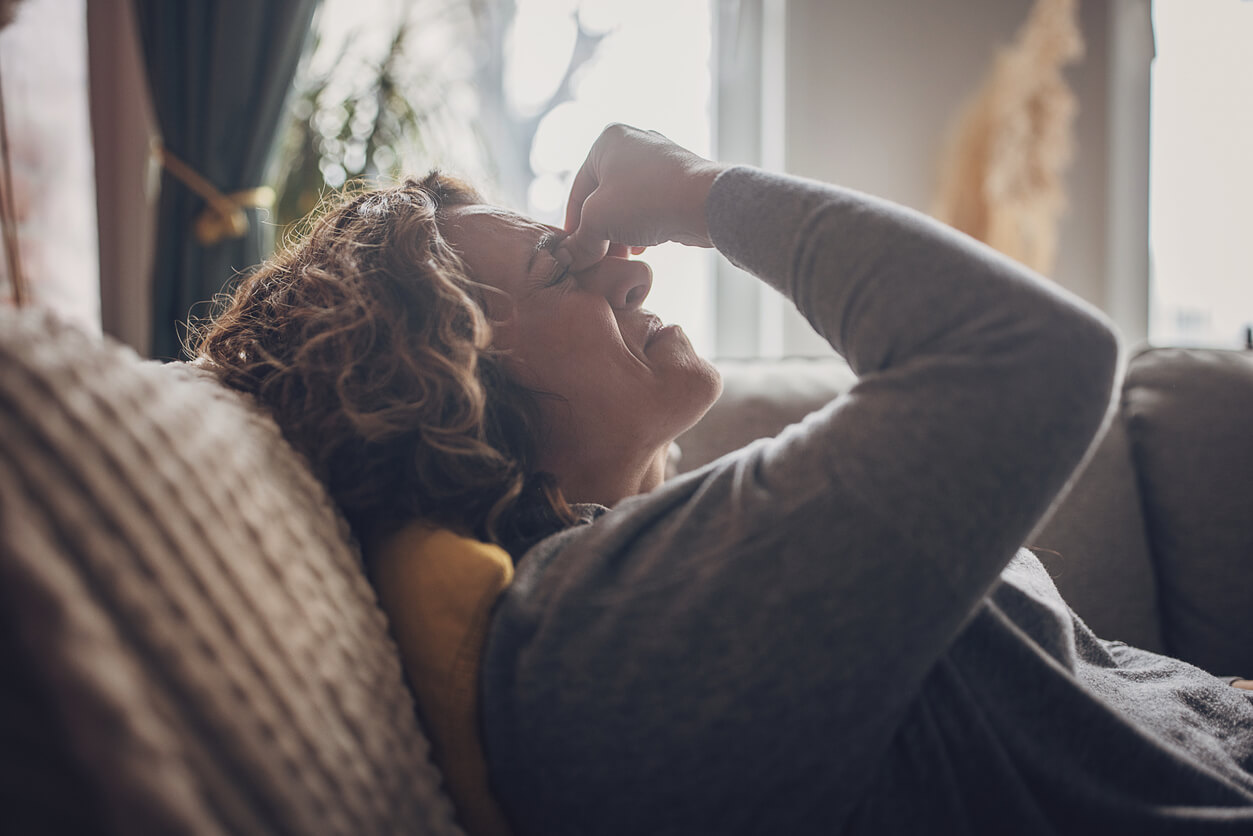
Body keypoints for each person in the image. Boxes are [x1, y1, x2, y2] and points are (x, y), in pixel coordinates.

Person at [198, 124, 1253, 834]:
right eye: (565, 267)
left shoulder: (646, 556)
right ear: (459, 386)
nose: (634, 262)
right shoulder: (605, 638)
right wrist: (700, 195)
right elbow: (1033, 354)